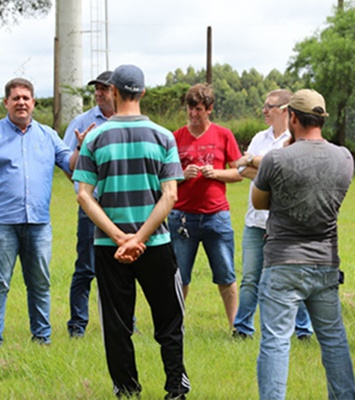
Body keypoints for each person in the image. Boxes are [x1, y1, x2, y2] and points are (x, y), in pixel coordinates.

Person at [73, 64, 190, 399]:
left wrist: (120, 237)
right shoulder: (164, 136)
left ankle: (126, 390)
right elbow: (170, 195)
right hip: (156, 243)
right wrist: (139, 238)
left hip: (109, 246)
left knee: (117, 323)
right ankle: (175, 388)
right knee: (169, 320)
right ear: (142, 92)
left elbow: (84, 194)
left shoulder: (94, 136)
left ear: (113, 92)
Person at [0, 77, 83, 348]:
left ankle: (42, 338)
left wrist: (79, 149)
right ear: (6, 103)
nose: (21, 102)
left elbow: (71, 165)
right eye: (15, 98)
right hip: (1, 223)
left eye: (25, 98)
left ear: (33, 103)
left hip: (38, 223)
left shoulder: (47, 135)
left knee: (40, 283)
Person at [253, 89, 355, 399]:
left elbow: (259, 202)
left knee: (275, 341)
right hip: (325, 262)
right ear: (322, 119)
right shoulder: (345, 157)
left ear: (292, 118)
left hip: (283, 261)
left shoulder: (276, 158)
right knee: (334, 340)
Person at [231, 89, 313, 340]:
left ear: (286, 110)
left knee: (292, 277)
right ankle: (242, 328)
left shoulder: (296, 139)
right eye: (264, 105)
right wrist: (270, 171)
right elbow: (240, 169)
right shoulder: (259, 137)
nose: (264, 110)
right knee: (250, 278)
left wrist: (254, 160)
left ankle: (303, 330)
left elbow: (291, 173)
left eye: (270, 106)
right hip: (255, 222)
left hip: (284, 224)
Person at [168, 83, 242, 331]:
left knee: (226, 274)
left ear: (209, 109)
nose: (193, 114)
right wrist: (182, 175)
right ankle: (175, 325)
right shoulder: (175, 138)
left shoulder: (224, 135)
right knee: (180, 275)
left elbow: (239, 172)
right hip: (182, 217)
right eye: (190, 108)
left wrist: (217, 173)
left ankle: (236, 327)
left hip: (216, 216)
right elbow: (163, 178)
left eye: (198, 109)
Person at [64, 70, 115, 338]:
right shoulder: (81, 121)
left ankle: (123, 322)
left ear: (116, 91)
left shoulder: (126, 121)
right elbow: (67, 165)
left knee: (121, 267)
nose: (99, 93)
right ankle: (77, 326)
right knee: (86, 266)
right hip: (91, 205)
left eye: (104, 88)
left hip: (120, 206)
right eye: (97, 88)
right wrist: (81, 149)